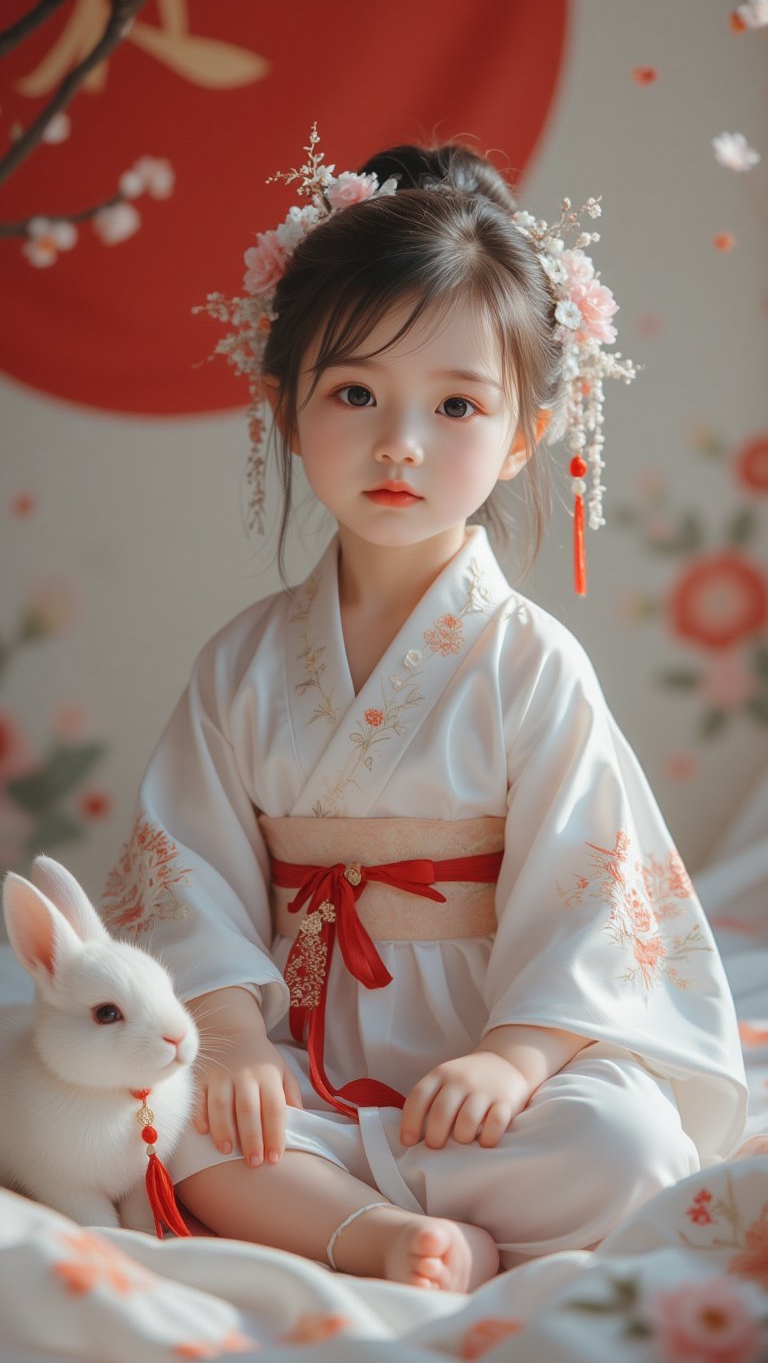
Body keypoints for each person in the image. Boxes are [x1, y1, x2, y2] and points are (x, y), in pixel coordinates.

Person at [102, 137, 746, 1292]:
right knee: (164, 1111)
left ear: (525, 437)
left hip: (499, 1074)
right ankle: (386, 1236)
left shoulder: (529, 663)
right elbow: (186, 873)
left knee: (628, 1145)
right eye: (356, 392)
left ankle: (352, 1210)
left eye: (457, 404)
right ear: (285, 407)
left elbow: (594, 888)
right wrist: (240, 1041)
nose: (402, 442)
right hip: (302, 1056)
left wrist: (518, 1053)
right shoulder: (243, 665)